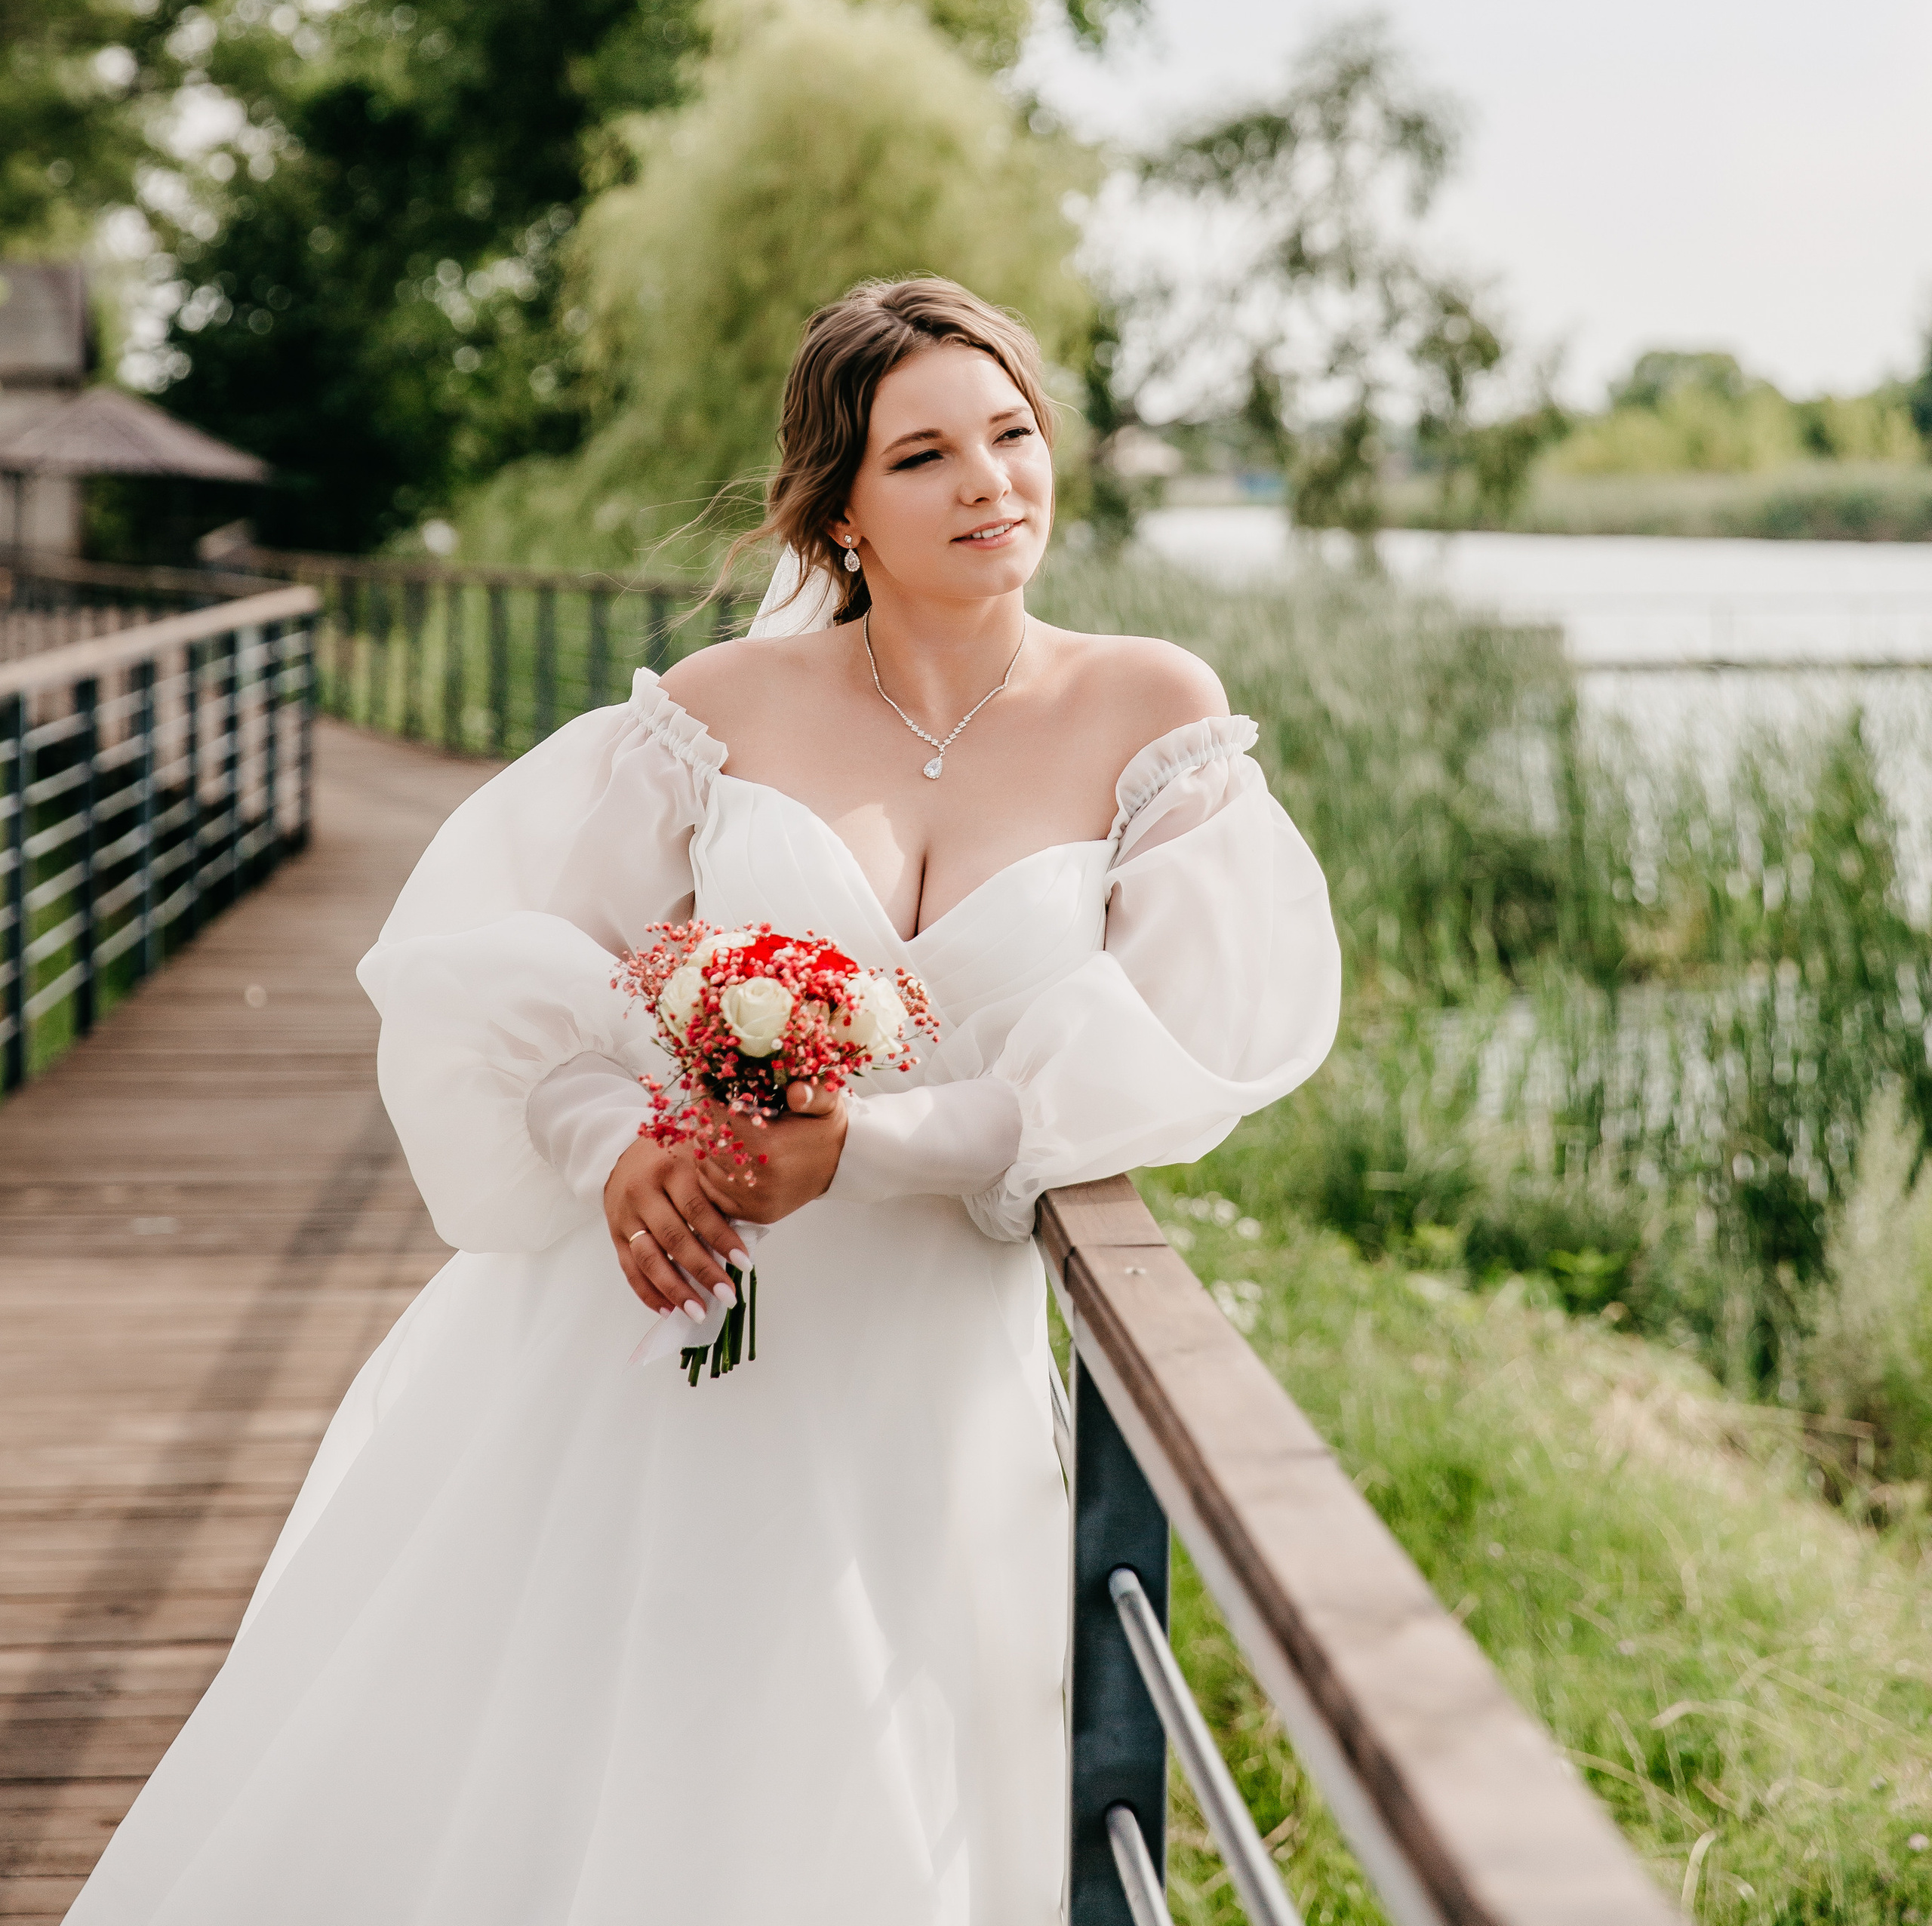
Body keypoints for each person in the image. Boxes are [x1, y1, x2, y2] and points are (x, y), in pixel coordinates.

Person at [69, 276, 1340, 1925]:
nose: (990, 484)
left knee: (867, 1784)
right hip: (671, 1323)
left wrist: (865, 1143)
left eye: (1012, 435)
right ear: (839, 510)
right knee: (612, 1750)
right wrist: (613, 1155)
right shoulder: (712, 719)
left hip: (924, 1357)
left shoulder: (1147, 712)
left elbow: (1166, 1056)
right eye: (926, 455)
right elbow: (515, 968)